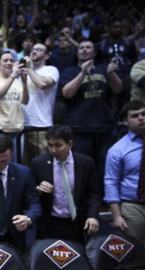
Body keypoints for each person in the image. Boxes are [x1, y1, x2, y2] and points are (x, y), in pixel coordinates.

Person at [30, 124, 100, 270]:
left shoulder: (85, 163)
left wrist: (93, 216)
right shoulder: (39, 163)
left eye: (58, 145)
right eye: (50, 145)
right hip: (50, 224)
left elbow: (93, 194)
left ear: (70, 144)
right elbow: (29, 193)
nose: (53, 150)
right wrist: (38, 189)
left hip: (75, 224)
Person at [104, 100, 145, 270]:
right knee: (135, 260)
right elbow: (110, 182)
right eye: (135, 116)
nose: (141, 118)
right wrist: (117, 215)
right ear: (125, 121)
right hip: (133, 207)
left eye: (144, 114)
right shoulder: (117, 149)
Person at [59, 39, 123, 196]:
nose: (84, 50)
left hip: (104, 127)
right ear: (77, 52)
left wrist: (111, 73)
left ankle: (105, 200)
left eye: (88, 47)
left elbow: (118, 89)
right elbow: (67, 93)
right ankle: (86, 200)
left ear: (94, 52)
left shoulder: (103, 69)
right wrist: (82, 74)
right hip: (80, 128)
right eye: (81, 47)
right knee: (83, 167)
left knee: (105, 167)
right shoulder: (70, 71)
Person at [0, 134, 41, 252]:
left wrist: (28, 218)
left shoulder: (23, 174)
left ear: (11, 156)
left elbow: (34, 204)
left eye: (4, 161)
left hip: (12, 235)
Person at [22, 43, 59, 165]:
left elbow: (42, 84)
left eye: (39, 50)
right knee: (25, 165)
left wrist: (29, 69)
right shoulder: (23, 71)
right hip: (22, 126)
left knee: (44, 164)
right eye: (33, 49)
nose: (34, 51)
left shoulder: (51, 70)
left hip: (41, 125)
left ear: (47, 56)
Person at [0, 50, 28, 159]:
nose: (9, 63)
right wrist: (13, 76)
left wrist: (24, 82)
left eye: (11, 60)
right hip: (0, 129)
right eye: (5, 60)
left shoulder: (17, 82)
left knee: (17, 164)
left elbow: (25, 101)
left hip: (17, 130)